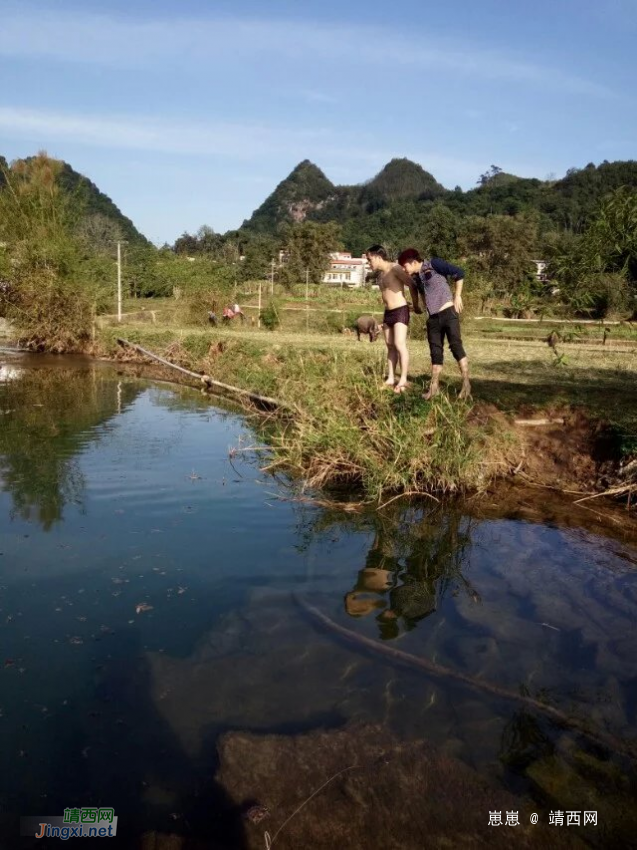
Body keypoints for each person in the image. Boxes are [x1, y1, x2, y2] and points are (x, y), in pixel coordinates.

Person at [398, 248, 471, 400]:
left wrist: (457, 296)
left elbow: (459, 273)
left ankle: (466, 385)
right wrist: (416, 308)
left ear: (413, 262)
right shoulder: (416, 279)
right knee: (435, 353)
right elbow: (422, 297)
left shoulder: (434, 264)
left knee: (456, 346)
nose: (404, 269)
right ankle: (434, 387)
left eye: (404, 266)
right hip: (432, 319)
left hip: (448, 313)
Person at [365, 245, 421, 393]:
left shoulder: (395, 268)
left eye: (369, 259)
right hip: (388, 312)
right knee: (390, 345)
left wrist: (415, 305)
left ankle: (403, 380)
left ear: (378, 257)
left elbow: (412, 285)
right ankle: (391, 378)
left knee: (399, 343)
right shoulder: (381, 275)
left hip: (401, 310)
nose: (368, 263)